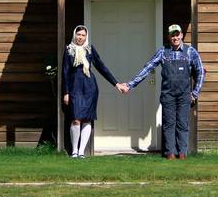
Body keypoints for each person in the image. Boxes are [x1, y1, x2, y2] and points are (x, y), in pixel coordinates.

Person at [118, 24, 205, 160]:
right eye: (172, 35)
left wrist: (195, 93)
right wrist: (130, 85)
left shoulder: (190, 52)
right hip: (168, 95)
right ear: (169, 37)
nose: (175, 37)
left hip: (184, 95)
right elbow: (147, 68)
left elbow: (200, 72)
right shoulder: (163, 52)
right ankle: (170, 154)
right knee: (169, 124)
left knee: (182, 124)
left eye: (177, 34)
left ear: (181, 35)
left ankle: (182, 154)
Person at [62, 25, 121, 158]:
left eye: (83, 35)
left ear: (86, 36)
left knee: (87, 119)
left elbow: (101, 67)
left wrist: (115, 83)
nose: (80, 37)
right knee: (76, 119)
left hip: (89, 87)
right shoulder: (68, 50)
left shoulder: (90, 49)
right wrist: (66, 92)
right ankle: (74, 151)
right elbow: (65, 72)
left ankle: (81, 151)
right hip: (74, 87)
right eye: (78, 34)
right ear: (74, 35)